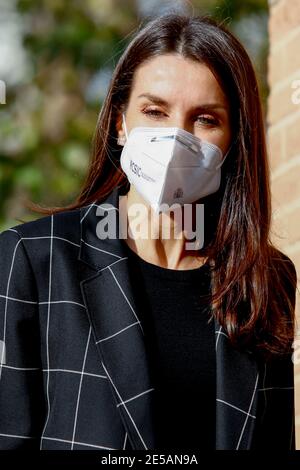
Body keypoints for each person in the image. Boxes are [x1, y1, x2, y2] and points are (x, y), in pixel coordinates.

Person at [0, 14, 297, 451]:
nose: (176, 136)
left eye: (205, 119)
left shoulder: (267, 281)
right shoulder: (34, 260)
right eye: (154, 112)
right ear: (121, 123)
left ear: (234, 139)